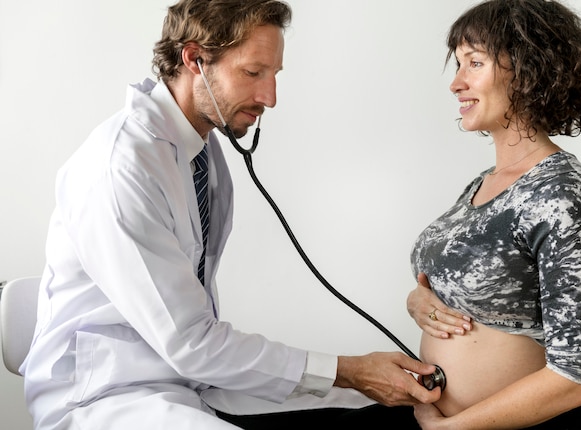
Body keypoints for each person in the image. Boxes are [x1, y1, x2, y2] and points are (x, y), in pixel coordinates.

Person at [21, 1, 439, 429]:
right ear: (194, 59)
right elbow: (190, 342)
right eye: (253, 73)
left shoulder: (201, 151)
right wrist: (351, 370)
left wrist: (355, 379)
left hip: (188, 379)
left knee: (373, 413)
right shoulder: (122, 167)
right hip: (107, 394)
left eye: (274, 75)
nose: (269, 98)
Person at [406, 0, 581, 428]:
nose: (456, 83)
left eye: (475, 63)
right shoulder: (485, 182)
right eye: (459, 64)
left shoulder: (560, 189)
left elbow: (577, 377)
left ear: (527, 71)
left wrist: (451, 428)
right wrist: (419, 303)